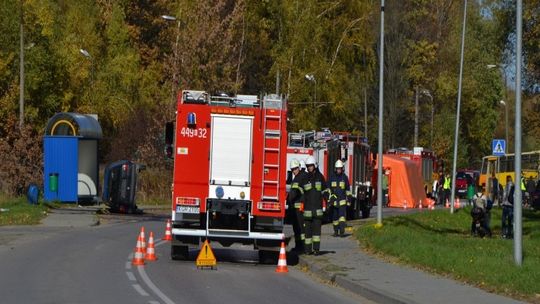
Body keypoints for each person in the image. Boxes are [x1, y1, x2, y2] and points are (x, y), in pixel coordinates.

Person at [300, 156, 328, 255]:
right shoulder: (304, 178)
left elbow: (325, 191)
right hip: (307, 211)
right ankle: (308, 250)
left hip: (317, 211)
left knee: (316, 233)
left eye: (311, 166)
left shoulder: (320, 177)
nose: (309, 168)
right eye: (308, 166)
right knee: (307, 233)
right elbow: (301, 193)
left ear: (315, 166)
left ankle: (316, 249)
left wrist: (329, 201)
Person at [327, 160, 352, 237]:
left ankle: (342, 230)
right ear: (335, 169)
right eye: (337, 168)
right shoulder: (331, 177)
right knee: (335, 218)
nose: (339, 170)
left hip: (342, 201)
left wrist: (349, 200)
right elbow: (328, 189)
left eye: (340, 168)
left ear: (342, 169)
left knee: (341, 217)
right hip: (334, 202)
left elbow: (348, 189)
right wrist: (329, 199)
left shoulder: (344, 177)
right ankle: (335, 231)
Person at [286, 159, 306, 253]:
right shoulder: (297, 177)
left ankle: (301, 247)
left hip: (299, 207)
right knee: (297, 228)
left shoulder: (300, 178)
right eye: (292, 169)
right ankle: (299, 246)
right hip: (296, 208)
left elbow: (294, 193)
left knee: (300, 228)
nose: (294, 171)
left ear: (299, 167)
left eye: (295, 169)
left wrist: (289, 200)